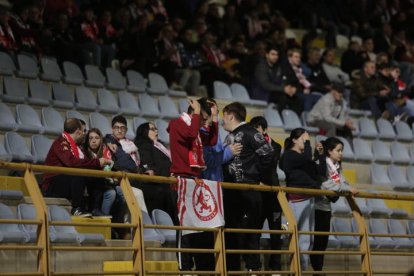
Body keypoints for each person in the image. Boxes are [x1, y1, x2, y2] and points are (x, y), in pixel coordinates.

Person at [222, 102, 275, 272]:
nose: (222, 120)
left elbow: (269, 154)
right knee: (230, 235)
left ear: (230, 115)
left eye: (224, 116)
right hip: (230, 192)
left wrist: (260, 178)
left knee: (248, 235)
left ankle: (253, 270)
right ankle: (232, 271)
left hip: (247, 191)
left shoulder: (251, 132)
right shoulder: (230, 135)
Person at [167, 97, 218, 272]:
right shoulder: (176, 124)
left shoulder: (195, 128)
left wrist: (214, 118)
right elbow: (189, 134)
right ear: (193, 113)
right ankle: (184, 268)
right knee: (184, 229)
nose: (203, 122)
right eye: (202, 118)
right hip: (181, 180)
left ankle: (199, 267)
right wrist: (197, 112)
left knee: (197, 230)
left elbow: (211, 140)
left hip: (195, 181)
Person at [42, 118, 112, 216]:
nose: (84, 134)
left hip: (65, 180)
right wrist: (97, 162)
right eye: (83, 131)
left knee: (96, 176)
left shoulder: (75, 145)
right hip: (52, 185)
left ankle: (94, 208)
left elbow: (82, 161)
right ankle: (77, 208)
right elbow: (72, 163)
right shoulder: (61, 143)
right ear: (78, 132)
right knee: (78, 173)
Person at [279, 128, 326, 271]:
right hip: (297, 200)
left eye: (306, 140)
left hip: (309, 199)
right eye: (302, 139)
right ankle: (296, 270)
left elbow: (321, 172)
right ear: (294, 140)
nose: (305, 142)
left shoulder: (304, 158)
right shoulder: (289, 155)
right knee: (299, 239)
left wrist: (320, 155)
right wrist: (308, 143)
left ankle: (301, 270)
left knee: (308, 240)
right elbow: (305, 158)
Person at [310, 137, 358, 274]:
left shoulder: (336, 166)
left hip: (326, 206)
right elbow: (325, 184)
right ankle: (314, 270)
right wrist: (347, 189)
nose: (341, 153)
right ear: (329, 151)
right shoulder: (322, 163)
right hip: (316, 206)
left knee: (322, 241)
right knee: (315, 241)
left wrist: (348, 187)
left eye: (341, 150)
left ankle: (318, 270)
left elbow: (342, 181)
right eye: (338, 150)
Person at [249, 116, 283, 273]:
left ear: (263, 129)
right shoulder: (250, 146)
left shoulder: (276, 145)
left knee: (276, 231)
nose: (255, 133)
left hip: (273, 193)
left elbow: (271, 162)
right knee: (255, 230)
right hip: (258, 192)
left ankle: (275, 267)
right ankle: (254, 266)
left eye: (257, 129)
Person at [134, 121, 177, 223]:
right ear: (144, 132)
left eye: (156, 128)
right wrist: (169, 172)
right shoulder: (144, 145)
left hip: (168, 181)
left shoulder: (160, 145)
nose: (156, 131)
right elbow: (150, 167)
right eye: (152, 129)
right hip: (156, 183)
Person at [84, 128, 124, 217]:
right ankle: (105, 219)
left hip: (105, 182)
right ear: (87, 140)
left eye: (96, 138)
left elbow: (115, 167)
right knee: (111, 193)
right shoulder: (84, 152)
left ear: (101, 140)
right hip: (91, 183)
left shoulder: (105, 152)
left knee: (122, 191)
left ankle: (118, 222)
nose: (93, 141)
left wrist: (109, 163)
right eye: (90, 138)